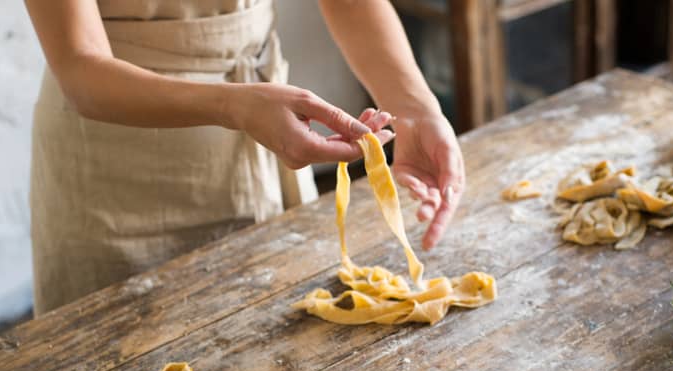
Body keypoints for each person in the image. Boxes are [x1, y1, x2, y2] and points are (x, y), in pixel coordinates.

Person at [24, 0, 465, 315]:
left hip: (263, 151)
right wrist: (238, 106)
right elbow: (81, 67)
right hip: (112, 176)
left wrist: (414, 109)